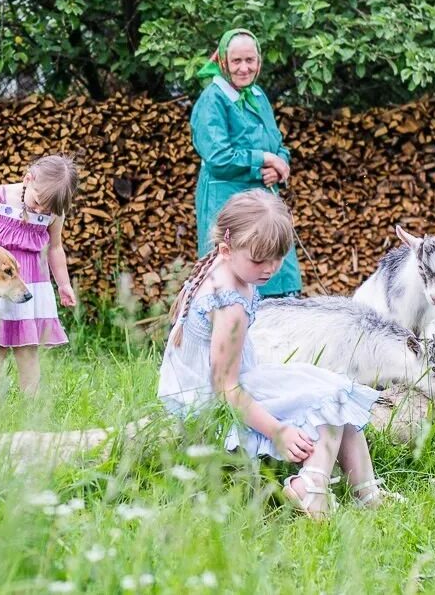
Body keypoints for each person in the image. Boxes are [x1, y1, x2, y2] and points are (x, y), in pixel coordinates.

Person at [158, 189, 397, 518]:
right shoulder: (229, 304)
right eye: (259, 260)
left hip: (224, 380)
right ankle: (310, 487)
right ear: (227, 249)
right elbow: (225, 387)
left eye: (278, 257)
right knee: (329, 399)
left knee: (338, 388)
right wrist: (277, 430)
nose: (270, 269)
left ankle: (366, 491)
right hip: (212, 398)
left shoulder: (225, 265)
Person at [190, 28, 302, 297]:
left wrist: (279, 166)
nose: (243, 68)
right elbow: (218, 157)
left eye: (249, 60)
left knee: (277, 264)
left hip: (263, 198)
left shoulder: (258, 95)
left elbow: (276, 145)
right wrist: (264, 159)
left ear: (259, 62)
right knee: (236, 268)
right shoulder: (212, 100)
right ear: (223, 62)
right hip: (226, 198)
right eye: (236, 61)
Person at [0, 154, 79, 395]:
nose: (41, 210)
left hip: (31, 285)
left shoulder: (53, 213)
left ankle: (29, 404)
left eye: (48, 208)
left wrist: (64, 284)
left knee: (28, 348)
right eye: (38, 201)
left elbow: (55, 248)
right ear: (27, 179)